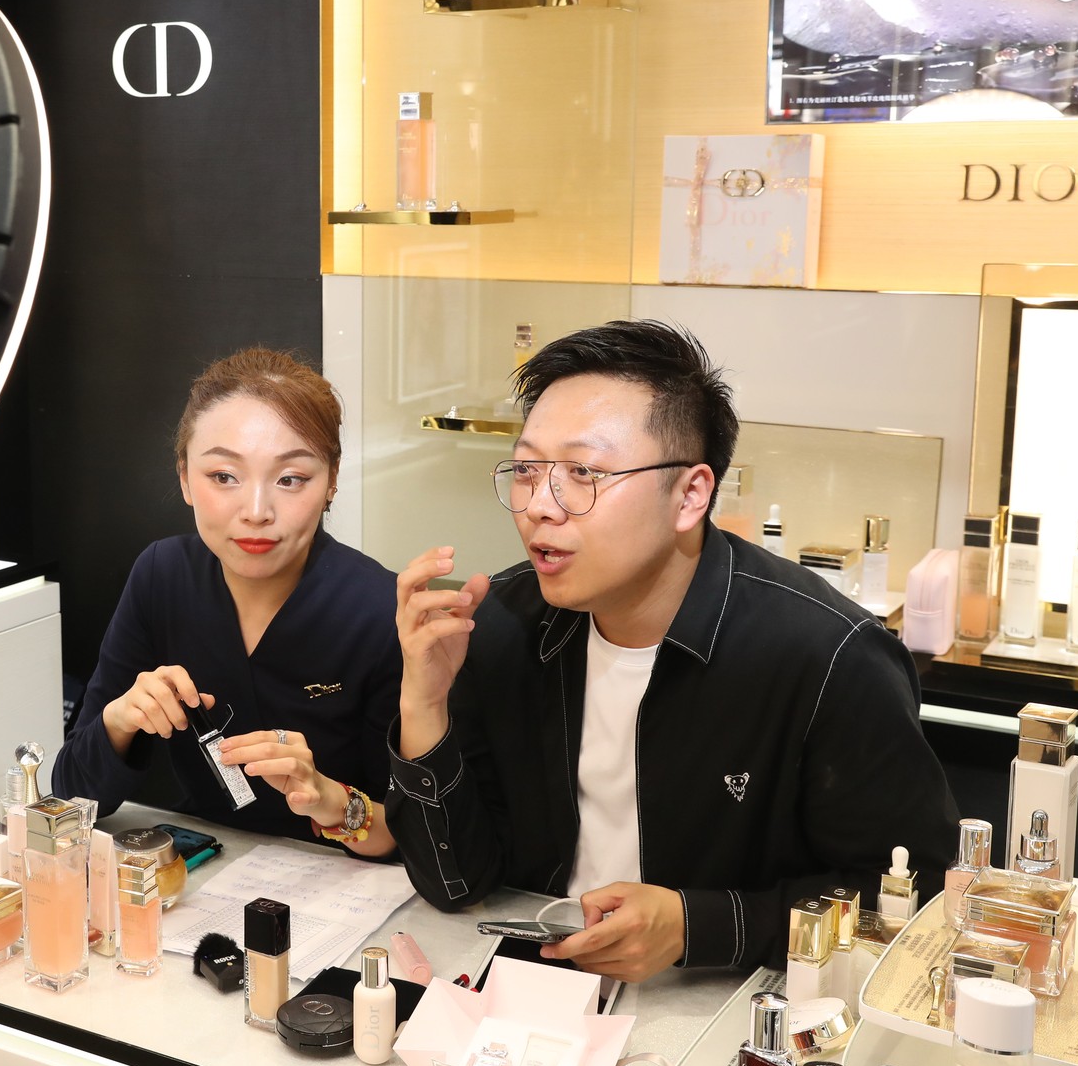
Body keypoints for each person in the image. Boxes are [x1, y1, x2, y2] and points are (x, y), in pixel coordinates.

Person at [385, 319, 958, 980]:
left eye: (581, 472)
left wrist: (697, 926)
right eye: (527, 469)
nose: (539, 505)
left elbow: (917, 898)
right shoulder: (505, 626)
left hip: (738, 1008)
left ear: (691, 494)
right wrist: (423, 704)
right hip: (531, 995)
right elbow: (455, 885)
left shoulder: (826, 656)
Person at [51, 348, 402, 854]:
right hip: (208, 871)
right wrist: (119, 722)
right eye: (223, 477)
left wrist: (328, 798)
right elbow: (72, 797)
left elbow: (411, 837)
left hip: (345, 892)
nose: (256, 511)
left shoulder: (378, 609)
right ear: (184, 478)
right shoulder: (162, 575)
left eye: (291, 479)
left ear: (332, 481)